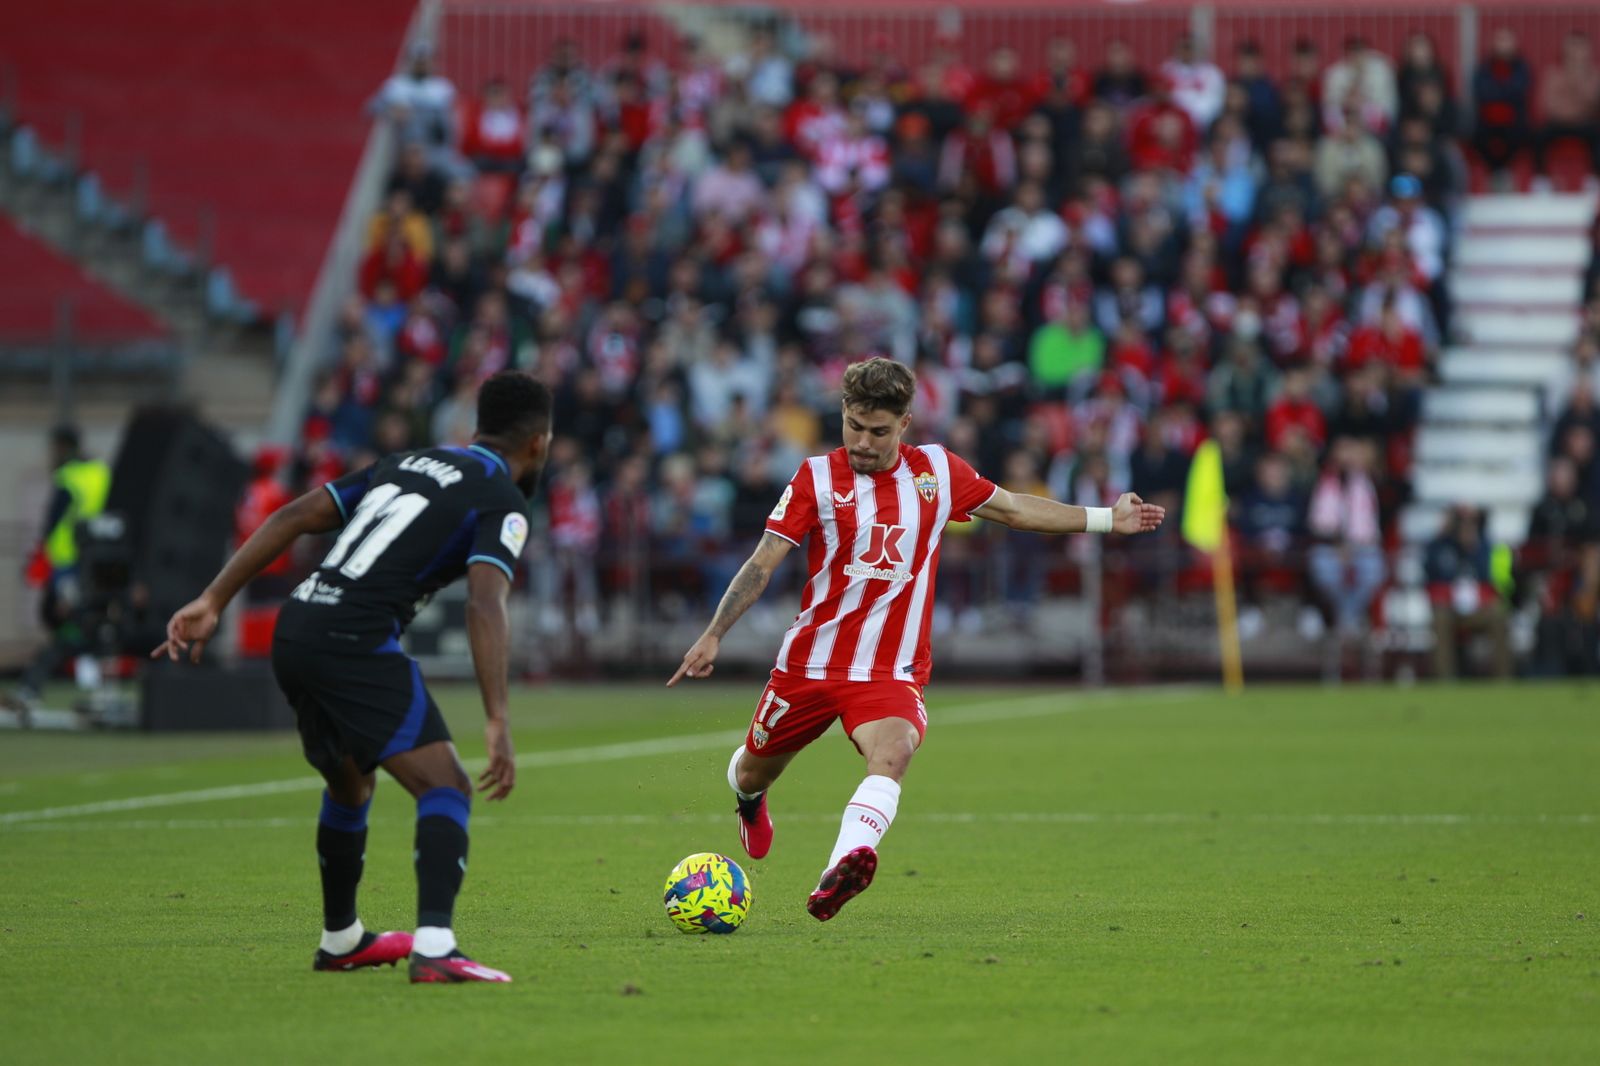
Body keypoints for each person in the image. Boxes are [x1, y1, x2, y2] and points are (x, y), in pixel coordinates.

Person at [666, 358, 1165, 921]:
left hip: (889, 670)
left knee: (895, 750)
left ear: (905, 424)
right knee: (754, 769)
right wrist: (713, 634)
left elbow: (1014, 508)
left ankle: (844, 864)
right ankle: (750, 802)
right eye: (854, 425)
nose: (862, 441)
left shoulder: (936, 472)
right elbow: (763, 561)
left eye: (878, 431)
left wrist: (1105, 520)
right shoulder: (814, 478)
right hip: (810, 665)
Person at [152, 371, 553, 983]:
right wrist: (497, 718)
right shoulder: (504, 500)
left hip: (299, 627)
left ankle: (341, 939)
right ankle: (437, 948)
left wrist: (211, 600)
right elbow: (484, 603)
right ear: (539, 444)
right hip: (353, 637)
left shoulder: (408, 460)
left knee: (350, 785)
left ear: (478, 426)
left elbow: (294, 515)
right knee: (446, 786)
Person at [9, 425, 112, 713]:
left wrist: (38, 558)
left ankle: (32, 687)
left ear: (64, 447)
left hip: (69, 565)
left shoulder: (69, 477)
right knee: (85, 625)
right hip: (100, 563)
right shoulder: (102, 473)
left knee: (71, 626)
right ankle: (92, 689)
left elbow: (52, 523)